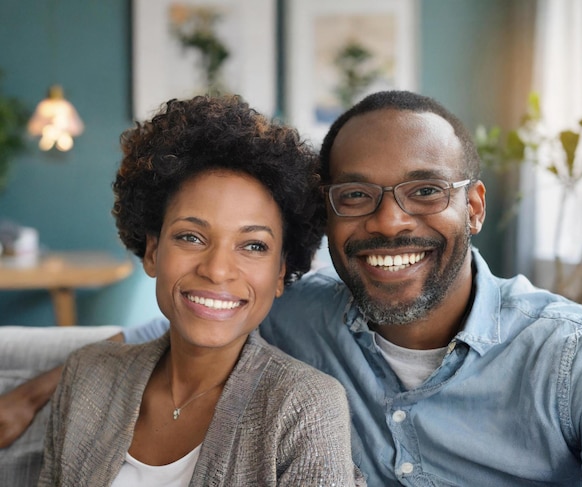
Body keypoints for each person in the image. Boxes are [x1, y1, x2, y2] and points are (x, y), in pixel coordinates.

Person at [4, 90, 582, 485]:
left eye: (426, 191)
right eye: (355, 196)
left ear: (475, 208)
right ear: (326, 216)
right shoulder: (295, 310)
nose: (389, 220)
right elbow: (174, 330)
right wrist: (31, 395)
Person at [36, 95, 362, 486]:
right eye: (191, 237)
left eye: (253, 245)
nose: (217, 269)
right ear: (153, 251)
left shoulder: (306, 407)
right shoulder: (86, 376)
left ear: (280, 272)